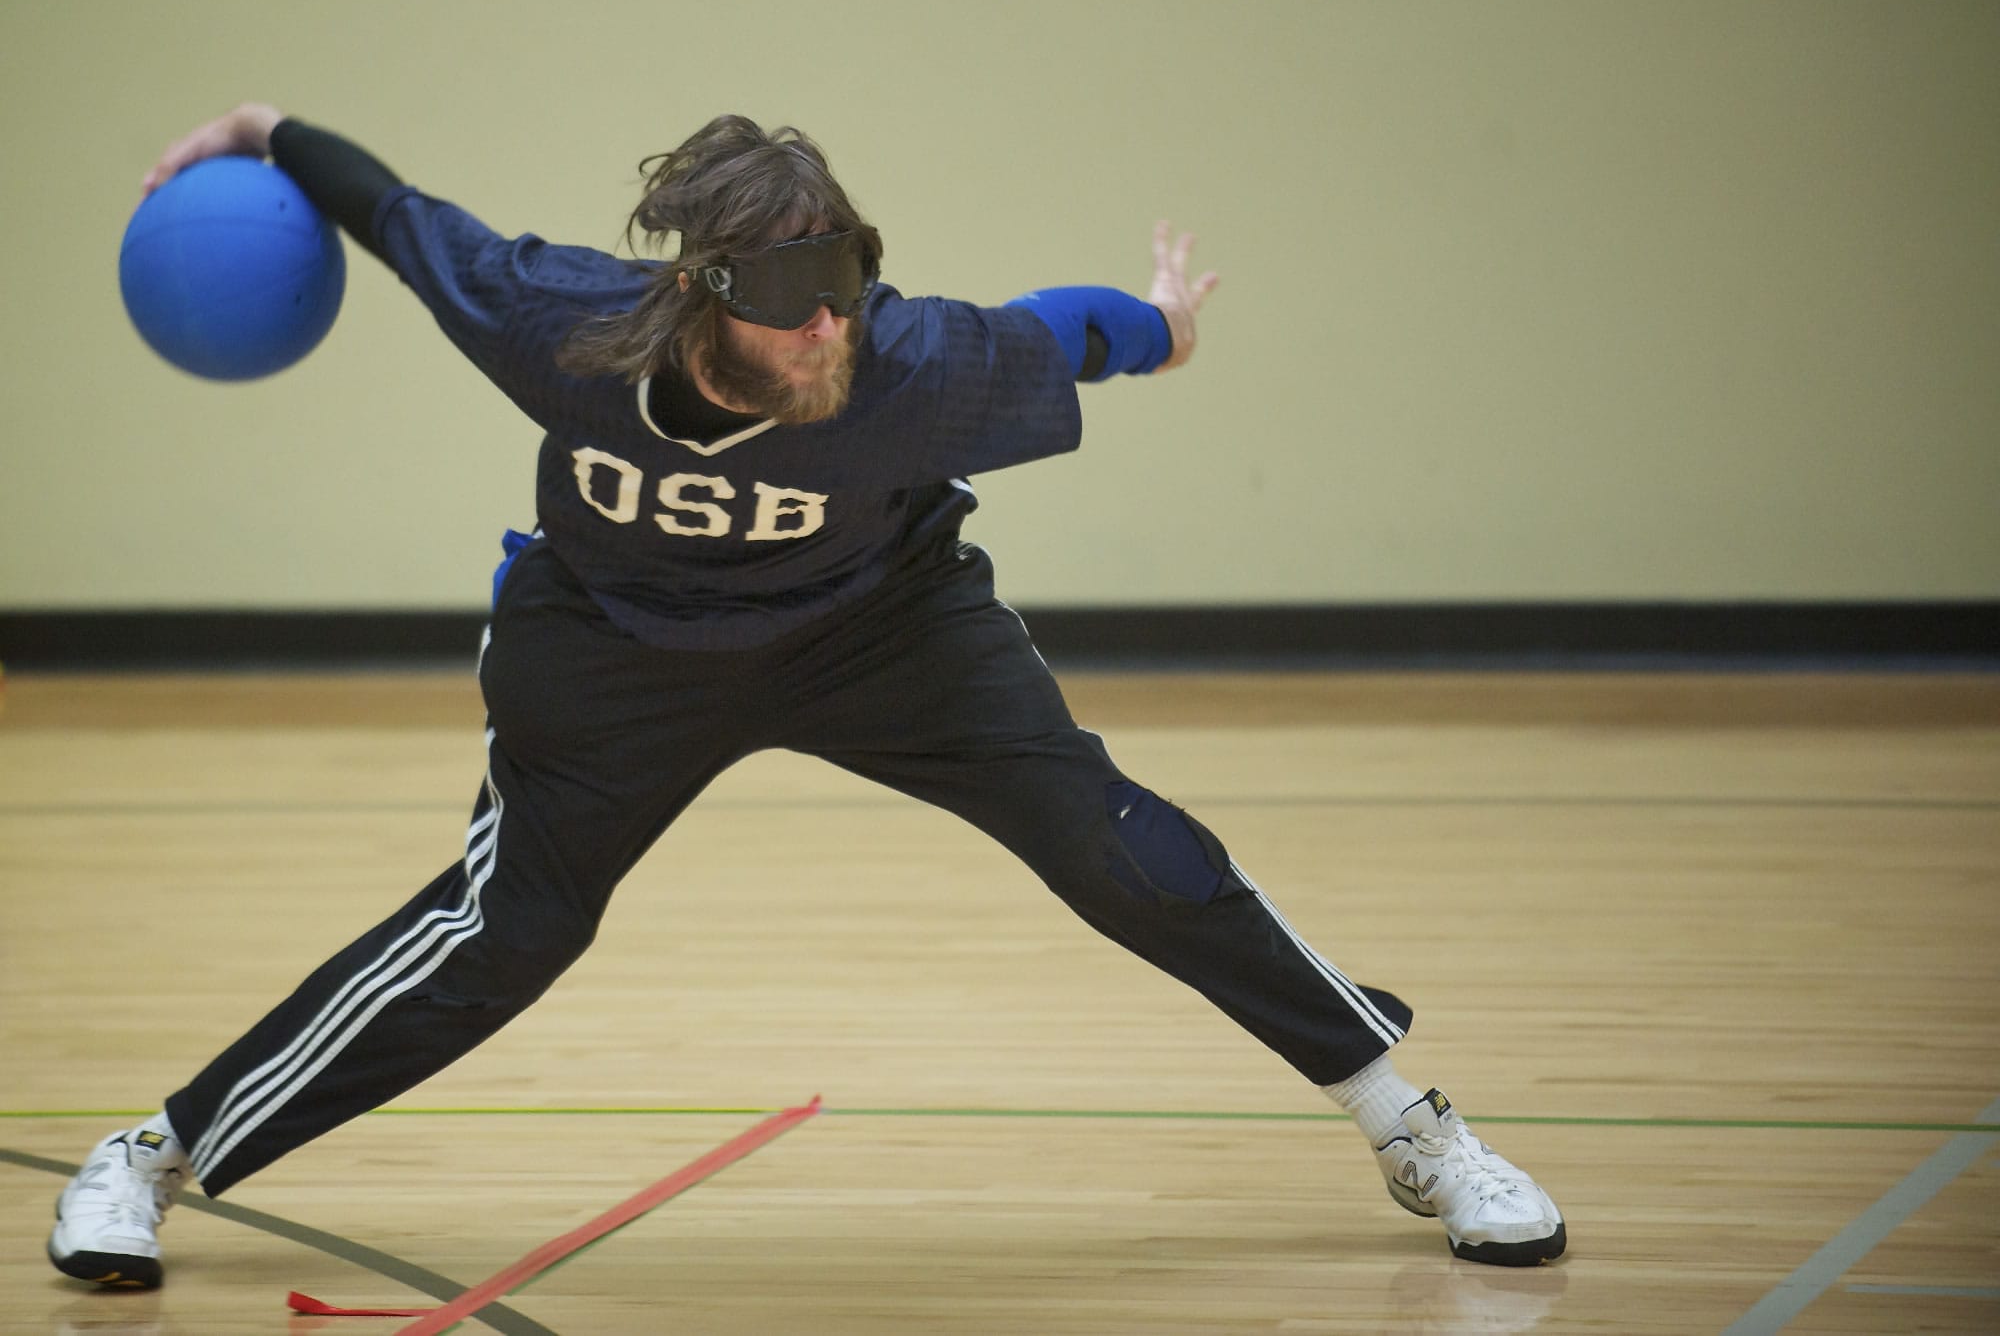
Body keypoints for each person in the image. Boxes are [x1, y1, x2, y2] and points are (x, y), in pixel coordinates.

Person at [49, 104, 1565, 1291]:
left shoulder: (902, 366)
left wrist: (1166, 326)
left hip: (882, 629)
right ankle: (153, 1153)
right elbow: (393, 219)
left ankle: (1413, 1126)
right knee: (501, 937)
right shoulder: (552, 324)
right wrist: (265, 133)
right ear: (704, 294)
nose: (830, 329)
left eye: (847, 286)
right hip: (617, 651)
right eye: (793, 300)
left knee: (1117, 842)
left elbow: (1068, 328)